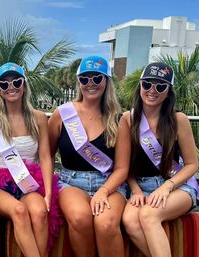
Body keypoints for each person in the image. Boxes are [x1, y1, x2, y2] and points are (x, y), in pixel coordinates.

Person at [0, 62, 60, 257]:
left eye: (16, 82)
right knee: (19, 210)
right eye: (4, 84)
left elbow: (45, 157)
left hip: (29, 182)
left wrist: (48, 194)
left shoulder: (39, 118)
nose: (11, 87)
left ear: (24, 86)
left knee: (40, 213)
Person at [48, 56, 130, 257]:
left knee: (106, 223)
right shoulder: (62, 114)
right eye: (84, 79)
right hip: (70, 182)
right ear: (79, 82)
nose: (90, 83)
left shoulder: (119, 119)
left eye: (97, 78)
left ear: (106, 82)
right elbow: (47, 156)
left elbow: (122, 168)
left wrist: (103, 191)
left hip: (110, 184)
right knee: (79, 218)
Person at [122, 62, 198, 257]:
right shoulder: (127, 120)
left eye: (160, 86)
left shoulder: (178, 120)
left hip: (177, 185)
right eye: (147, 84)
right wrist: (136, 190)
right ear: (140, 86)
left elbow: (192, 164)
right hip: (141, 186)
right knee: (130, 221)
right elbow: (124, 166)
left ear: (168, 91)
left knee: (148, 214)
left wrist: (167, 187)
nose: (152, 90)